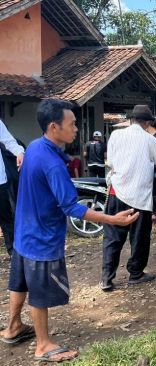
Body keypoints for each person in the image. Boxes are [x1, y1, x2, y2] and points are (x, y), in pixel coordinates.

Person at [0, 99, 138, 362]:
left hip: (24, 231)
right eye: (72, 124)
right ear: (54, 126)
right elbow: (72, 208)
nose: (76, 128)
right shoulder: (52, 163)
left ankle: (13, 327)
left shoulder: (34, 147)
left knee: (20, 282)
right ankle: (43, 345)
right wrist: (113, 219)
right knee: (39, 291)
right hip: (41, 236)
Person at [100, 105, 156, 292]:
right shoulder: (149, 140)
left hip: (116, 191)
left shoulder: (115, 135)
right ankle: (136, 273)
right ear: (147, 123)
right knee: (139, 237)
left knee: (113, 237)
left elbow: (111, 162)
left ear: (131, 120)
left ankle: (106, 278)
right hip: (139, 196)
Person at [0, 120, 24, 256]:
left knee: (6, 217)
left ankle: (13, 251)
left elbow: (9, 141)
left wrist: (19, 152)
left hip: (0, 180)